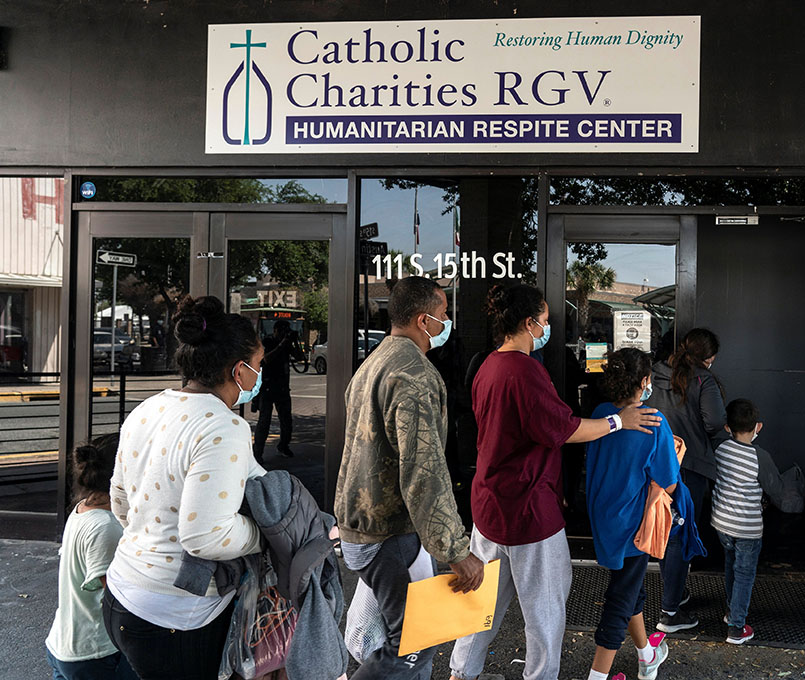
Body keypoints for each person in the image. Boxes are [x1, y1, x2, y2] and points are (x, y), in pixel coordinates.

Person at [448, 284, 662, 680]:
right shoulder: (525, 370)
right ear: (529, 323)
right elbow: (562, 429)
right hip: (529, 509)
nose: (547, 328)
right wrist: (619, 421)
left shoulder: (487, 366)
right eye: (545, 322)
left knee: (482, 606)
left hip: (489, 505)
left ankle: (461, 673)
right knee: (544, 613)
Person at [102, 295, 268, 679]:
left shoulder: (149, 408)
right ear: (238, 370)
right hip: (174, 615)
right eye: (259, 366)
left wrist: (152, 538)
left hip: (122, 594)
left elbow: (121, 501)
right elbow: (206, 538)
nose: (260, 376)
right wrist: (265, 534)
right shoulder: (223, 426)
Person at [335, 276, 484, 680]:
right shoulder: (414, 375)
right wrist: (455, 549)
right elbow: (425, 472)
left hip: (367, 528)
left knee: (404, 638)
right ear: (423, 320)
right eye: (443, 315)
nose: (447, 321)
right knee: (413, 643)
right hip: (388, 533)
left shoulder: (372, 364)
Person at [585, 349, 678, 680]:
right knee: (619, 602)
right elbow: (668, 481)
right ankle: (598, 675)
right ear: (644, 381)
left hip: (603, 519)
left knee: (630, 589)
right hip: (633, 526)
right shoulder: (655, 421)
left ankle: (646, 654)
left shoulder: (600, 414)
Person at [647, 328, 727, 633]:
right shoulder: (702, 379)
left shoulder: (654, 374)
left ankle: (676, 593)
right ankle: (669, 613)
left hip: (656, 464)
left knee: (665, 529)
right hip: (689, 466)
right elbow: (715, 421)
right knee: (678, 535)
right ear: (708, 357)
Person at [712, 398, 805, 645]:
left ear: (727, 427)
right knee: (744, 573)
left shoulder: (720, 449)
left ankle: (730, 612)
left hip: (722, 523)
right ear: (759, 427)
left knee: (731, 566)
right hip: (747, 527)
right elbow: (776, 489)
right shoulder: (760, 457)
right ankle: (736, 627)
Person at [45, 435, 139, 680]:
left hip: (65, 643)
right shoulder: (105, 526)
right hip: (95, 653)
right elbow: (117, 599)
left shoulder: (83, 509)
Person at [253, 319, 303, 461]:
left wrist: (293, 343)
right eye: (281, 331)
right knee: (264, 421)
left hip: (282, 387)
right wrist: (282, 345)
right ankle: (258, 452)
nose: (283, 334)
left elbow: (299, 358)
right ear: (275, 331)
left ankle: (284, 445)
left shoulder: (287, 345)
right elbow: (266, 359)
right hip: (268, 387)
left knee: (286, 420)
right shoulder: (268, 342)